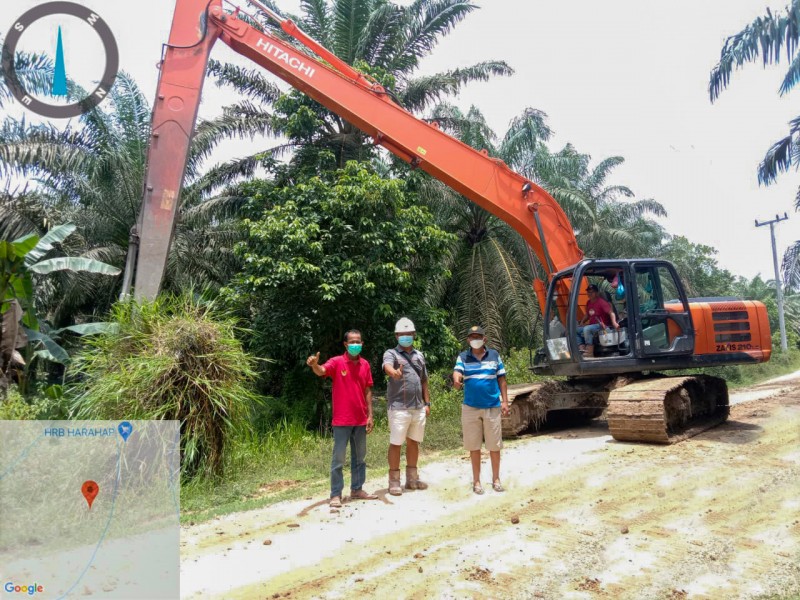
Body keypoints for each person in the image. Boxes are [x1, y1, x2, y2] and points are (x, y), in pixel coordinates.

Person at [307, 329, 377, 508]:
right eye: (352, 341)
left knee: (360, 457)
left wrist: (370, 415)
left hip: (360, 419)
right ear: (345, 344)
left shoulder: (365, 365)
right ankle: (335, 494)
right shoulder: (337, 362)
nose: (356, 344)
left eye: (358, 341)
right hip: (341, 420)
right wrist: (314, 365)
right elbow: (322, 370)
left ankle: (357, 489)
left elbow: (368, 390)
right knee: (338, 459)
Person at [452, 326, 510, 495]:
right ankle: (477, 481)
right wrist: (456, 380)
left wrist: (505, 401)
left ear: (485, 339)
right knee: (474, 446)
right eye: (472, 336)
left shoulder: (494, 355)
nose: (475, 339)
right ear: (468, 340)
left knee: (494, 445)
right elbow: (457, 372)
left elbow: (502, 379)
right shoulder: (463, 357)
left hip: (492, 406)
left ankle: (496, 479)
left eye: (478, 336)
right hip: (471, 407)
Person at [382, 317, 431, 496]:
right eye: (402, 334)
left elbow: (424, 380)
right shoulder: (391, 354)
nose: (405, 336)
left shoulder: (419, 356)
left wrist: (428, 403)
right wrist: (394, 372)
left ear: (413, 335)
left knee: (414, 442)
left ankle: (412, 479)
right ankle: (394, 481)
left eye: (408, 334)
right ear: (396, 335)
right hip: (399, 408)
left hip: (418, 407)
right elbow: (387, 366)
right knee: (396, 443)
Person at [576, 283, 620, 358]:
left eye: (592, 292)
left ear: (596, 293)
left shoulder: (602, 302)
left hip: (602, 325)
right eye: (588, 292)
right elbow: (587, 315)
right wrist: (582, 322)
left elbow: (611, 313)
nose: (589, 294)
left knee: (587, 329)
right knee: (575, 330)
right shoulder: (588, 302)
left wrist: (614, 323)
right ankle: (582, 348)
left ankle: (589, 351)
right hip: (592, 326)